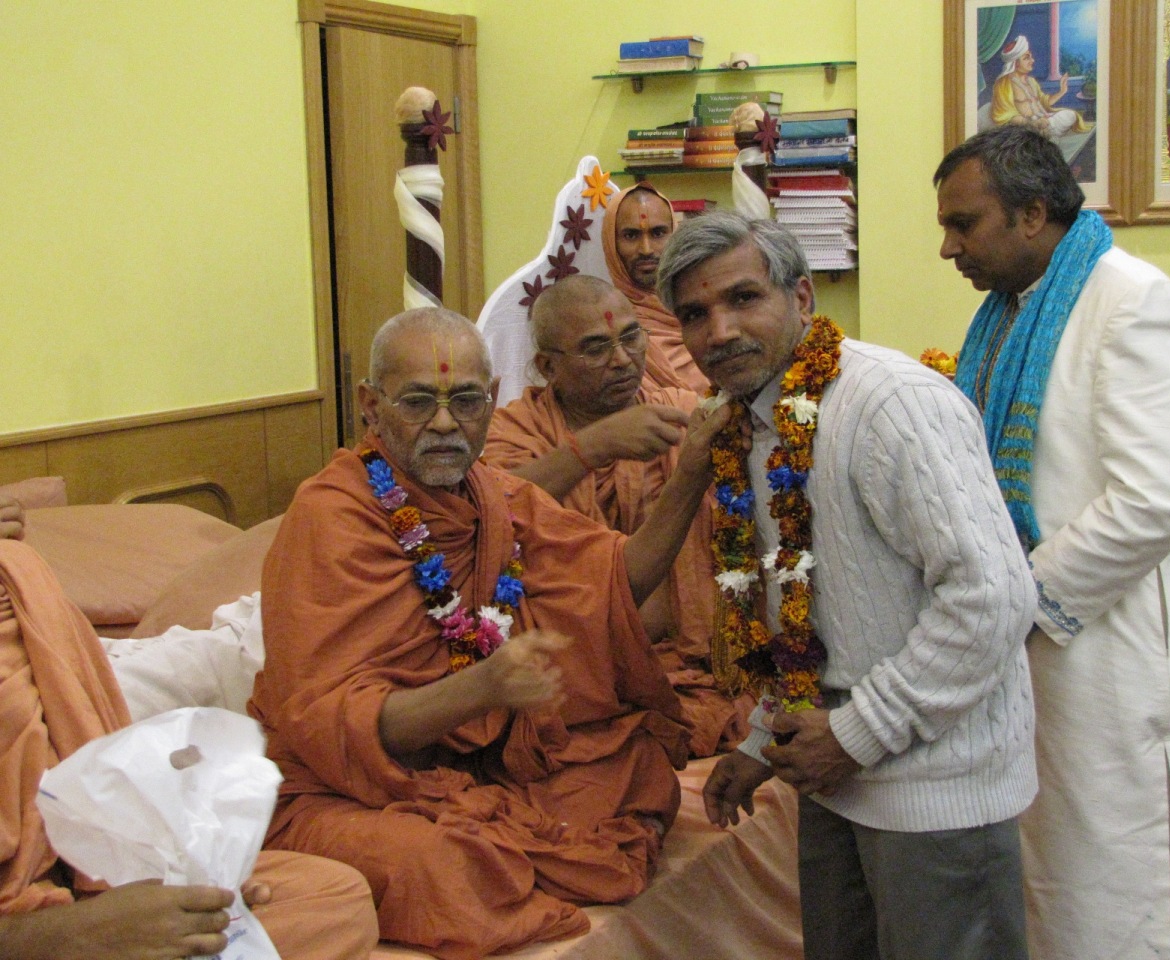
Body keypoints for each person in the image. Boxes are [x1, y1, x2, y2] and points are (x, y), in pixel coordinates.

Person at [248, 306, 731, 960]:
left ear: (491, 401)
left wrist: (694, 469)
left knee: (638, 767)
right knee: (441, 867)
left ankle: (510, 853)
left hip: (481, 761)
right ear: (370, 406)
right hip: (354, 783)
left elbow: (617, 583)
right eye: (418, 401)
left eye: (467, 401)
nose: (446, 423)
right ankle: (501, 869)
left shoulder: (494, 495)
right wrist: (483, 687)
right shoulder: (330, 516)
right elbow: (326, 721)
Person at [657, 211, 1040, 960]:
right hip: (836, 780)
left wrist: (859, 735)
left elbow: (993, 597)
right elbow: (812, 618)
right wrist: (765, 741)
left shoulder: (891, 404)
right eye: (695, 314)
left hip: (937, 789)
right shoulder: (748, 422)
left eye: (743, 299)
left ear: (802, 298)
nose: (719, 331)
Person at [935, 125, 1170, 960]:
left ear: (1032, 214)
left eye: (963, 223)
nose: (947, 248)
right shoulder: (1012, 316)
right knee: (1070, 899)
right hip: (1050, 662)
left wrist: (1016, 600)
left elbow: (1155, 501)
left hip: (1122, 668)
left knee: (1138, 908)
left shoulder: (1132, 300)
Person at [0, 539, 379, 960]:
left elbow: (80, 776)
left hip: (73, 885)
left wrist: (175, 882)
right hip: (34, 933)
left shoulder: (19, 574)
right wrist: (67, 937)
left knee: (330, 898)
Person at [485, 274, 751, 757]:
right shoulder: (517, 432)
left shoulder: (682, 412)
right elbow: (491, 514)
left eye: (631, 337)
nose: (623, 359)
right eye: (595, 348)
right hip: (578, 676)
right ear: (547, 366)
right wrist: (592, 446)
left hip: (690, 663)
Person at [602, 181, 710, 394]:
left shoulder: (705, 307)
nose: (646, 249)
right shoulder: (608, 327)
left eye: (658, 233)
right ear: (611, 244)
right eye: (631, 235)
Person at [989, 35, 1090, 138]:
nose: (1032, 61)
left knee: (1070, 115)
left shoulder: (1031, 81)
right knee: (1046, 128)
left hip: (1044, 119)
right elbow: (1006, 115)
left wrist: (1062, 91)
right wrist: (1033, 123)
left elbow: (1045, 102)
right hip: (1025, 126)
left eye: (1031, 57)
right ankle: (1043, 133)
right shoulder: (1004, 84)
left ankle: (1047, 130)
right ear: (1015, 63)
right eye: (1026, 58)